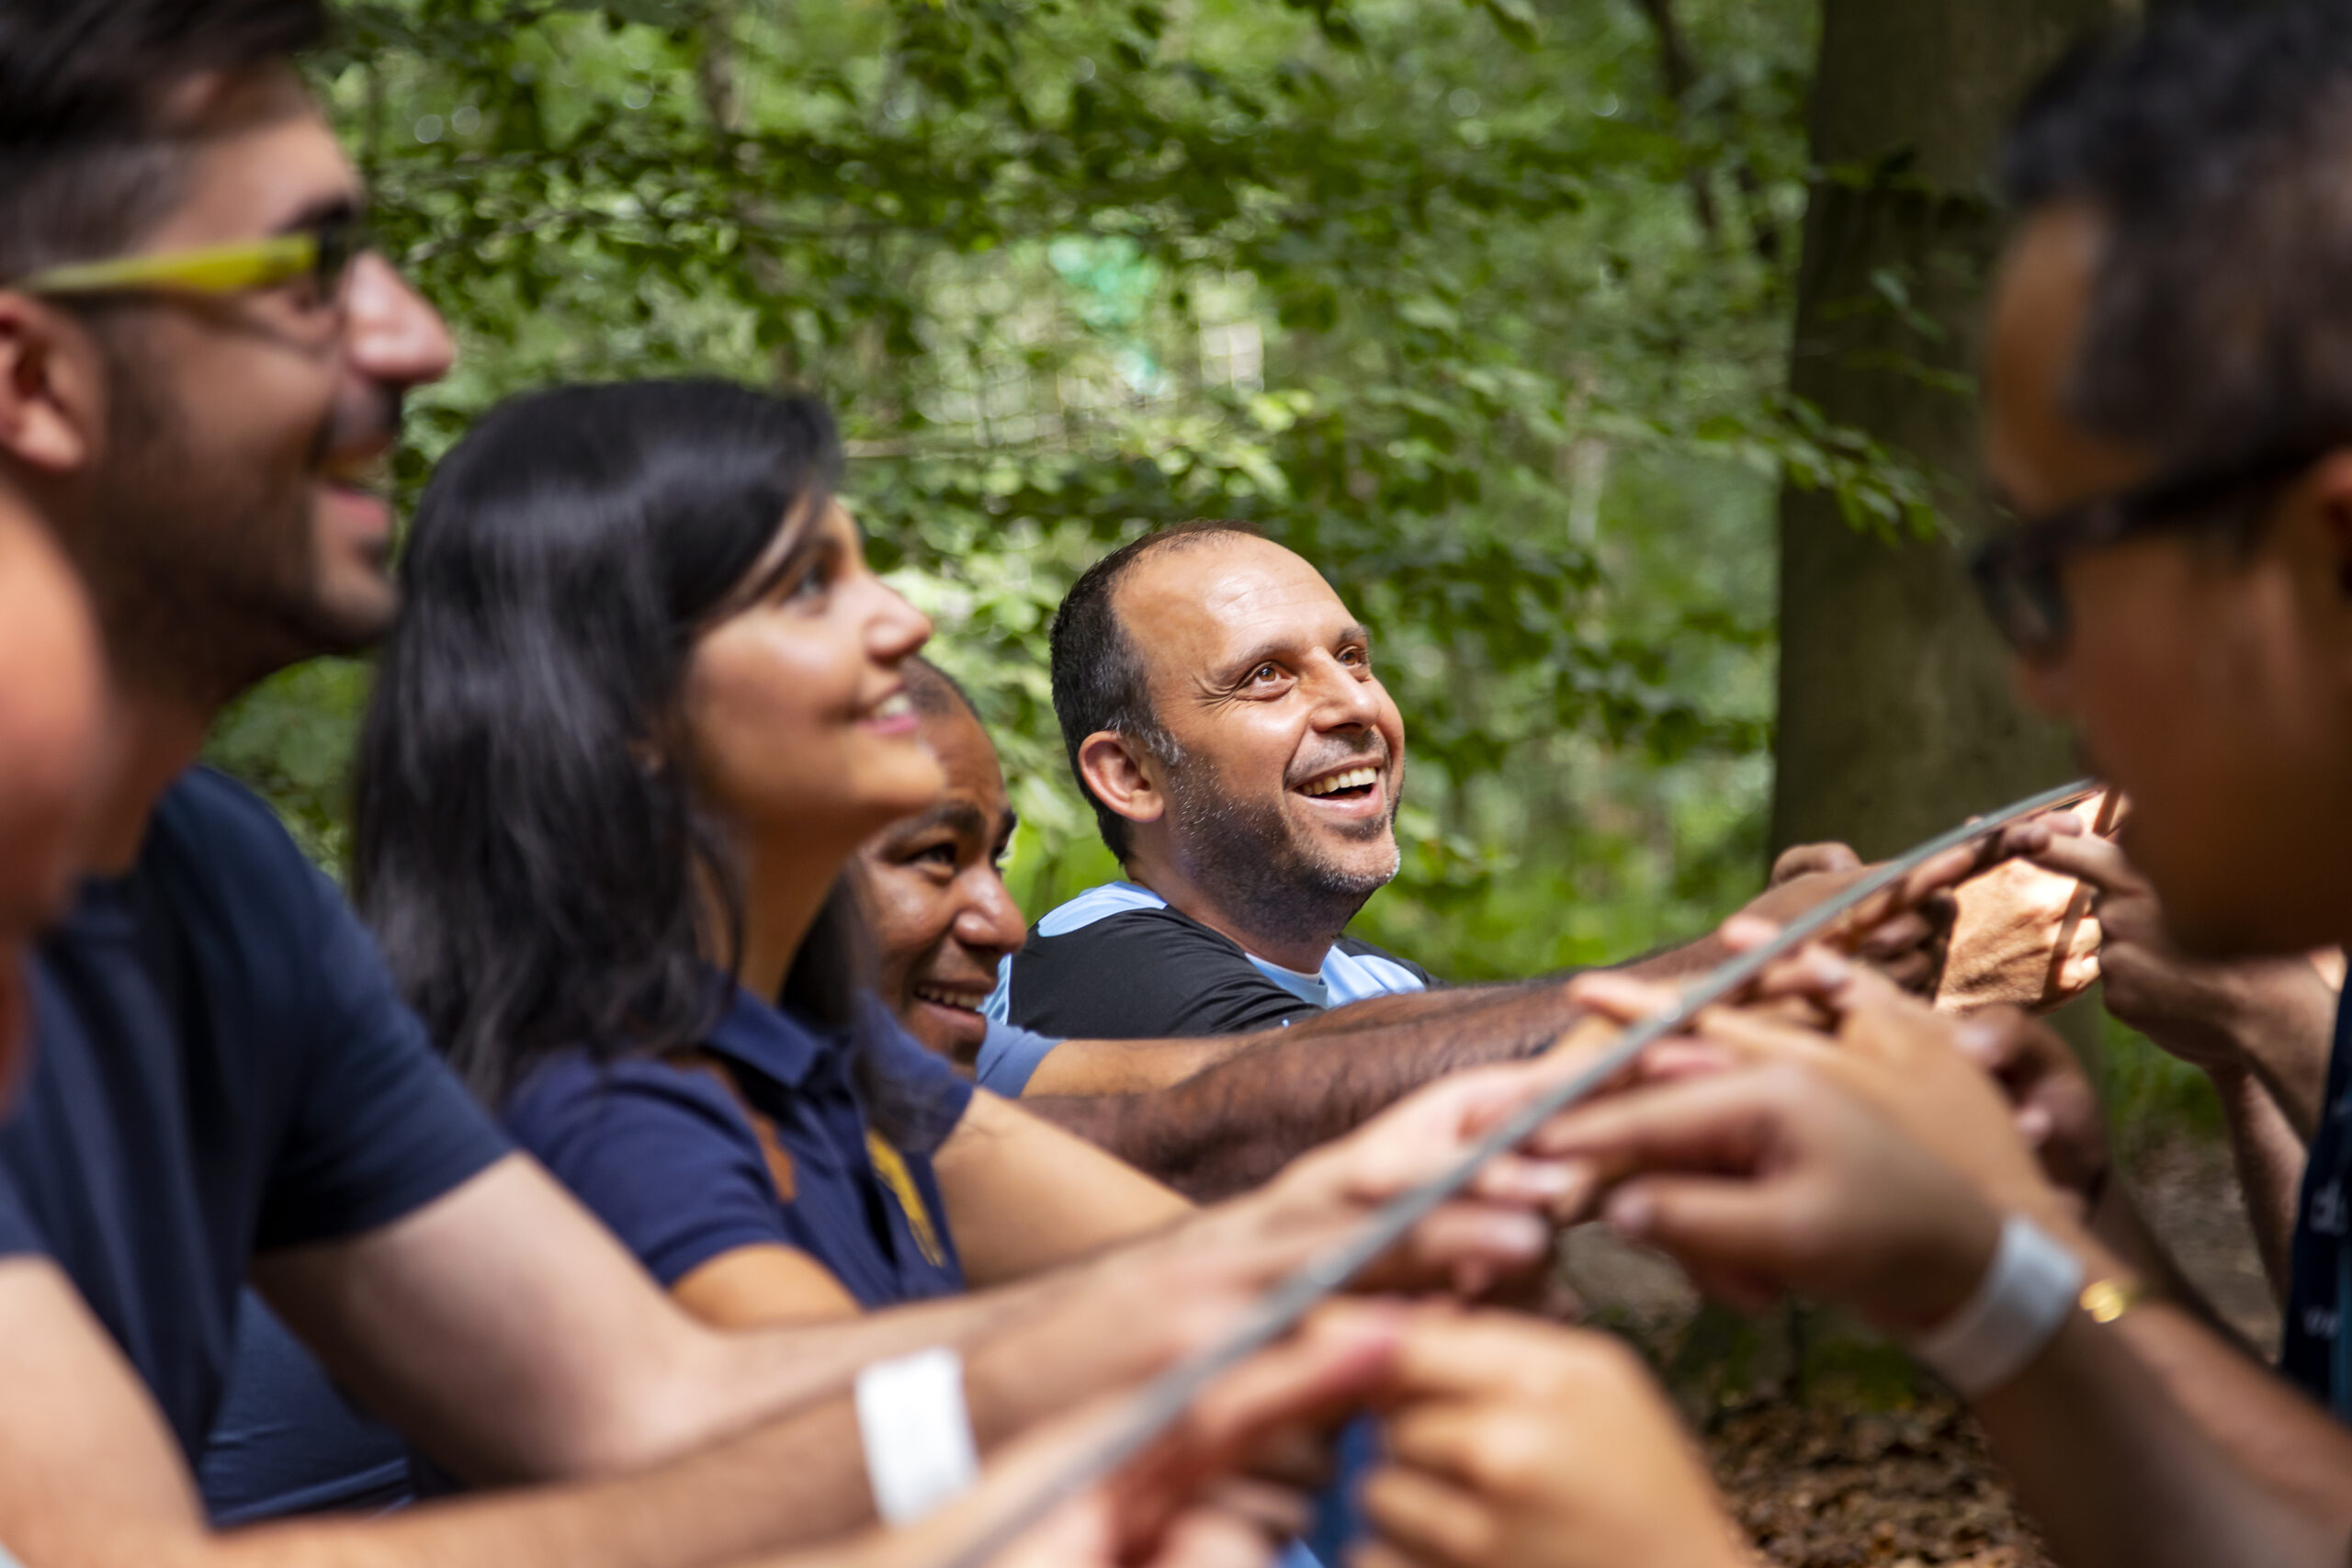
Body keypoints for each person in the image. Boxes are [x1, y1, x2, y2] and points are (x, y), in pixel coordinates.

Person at [0, 9, 1566, 1567]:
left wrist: (1323, 1264)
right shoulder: (600, 1090)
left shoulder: (222, 875)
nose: (412, 337)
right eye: (306, 272)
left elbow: (651, 1404)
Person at [872, 647, 2089, 1197]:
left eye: (1354, 659)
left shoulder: (1381, 991)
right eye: (1267, 679)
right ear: (1128, 777)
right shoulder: (1099, 954)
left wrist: (1888, 978)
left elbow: (1572, 1129)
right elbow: (1259, 1119)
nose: (1353, 702)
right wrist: (1752, 962)